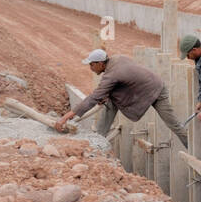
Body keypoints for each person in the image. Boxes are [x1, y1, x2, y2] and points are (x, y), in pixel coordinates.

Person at [56, 48, 189, 147]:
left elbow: (93, 98)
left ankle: (192, 146)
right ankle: (99, 138)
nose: (90, 68)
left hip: (156, 90)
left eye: (92, 64)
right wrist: (107, 94)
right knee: (110, 101)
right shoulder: (116, 59)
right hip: (144, 89)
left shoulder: (112, 74)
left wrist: (66, 117)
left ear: (100, 63)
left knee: (173, 124)